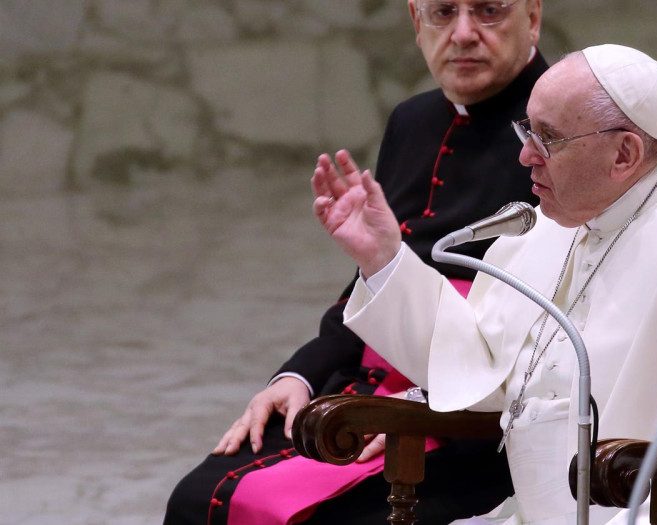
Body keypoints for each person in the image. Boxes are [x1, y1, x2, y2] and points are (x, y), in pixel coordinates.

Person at [313, 44, 657, 524]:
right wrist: (383, 258)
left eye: (548, 138)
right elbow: (476, 363)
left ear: (625, 154)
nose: (524, 155)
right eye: (528, 130)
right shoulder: (554, 223)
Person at [165, 0, 545, 523]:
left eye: (488, 11)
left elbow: (561, 317)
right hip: (366, 388)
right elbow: (370, 285)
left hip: (479, 418)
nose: (462, 34)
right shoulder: (413, 121)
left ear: (533, 17)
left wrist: (431, 404)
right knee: (199, 498)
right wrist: (296, 376)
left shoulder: (560, 129)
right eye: (442, 12)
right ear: (416, 21)